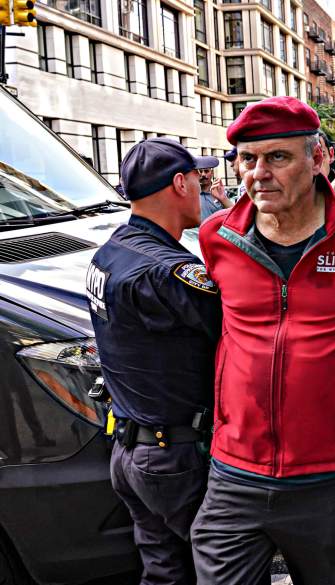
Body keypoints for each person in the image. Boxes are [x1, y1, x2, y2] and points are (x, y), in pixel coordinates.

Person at [191, 96, 335, 584]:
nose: (258, 173)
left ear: (319, 160)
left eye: (278, 157)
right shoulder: (216, 238)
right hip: (235, 468)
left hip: (332, 472)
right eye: (248, 159)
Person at [87, 138, 223, 585]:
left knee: (164, 572)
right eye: (201, 180)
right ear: (179, 184)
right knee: (225, 567)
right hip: (175, 456)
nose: (207, 188)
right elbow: (239, 335)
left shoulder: (109, 253)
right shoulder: (170, 273)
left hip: (130, 450)